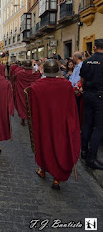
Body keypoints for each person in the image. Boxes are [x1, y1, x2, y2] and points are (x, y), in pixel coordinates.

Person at [27, 59, 80, 189]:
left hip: (44, 122)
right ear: (57, 70)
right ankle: (56, 179)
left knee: (44, 144)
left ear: (44, 70)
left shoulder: (36, 86)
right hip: (61, 123)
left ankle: (43, 170)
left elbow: (32, 108)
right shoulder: (67, 85)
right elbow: (71, 107)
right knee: (60, 146)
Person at [80, 39, 103, 170]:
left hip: (88, 94)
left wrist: (86, 89)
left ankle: (84, 151)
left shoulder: (87, 61)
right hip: (100, 96)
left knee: (87, 124)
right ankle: (91, 157)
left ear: (94, 47)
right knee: (99, 128)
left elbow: (82, 78)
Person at [14, 60, 41, 126]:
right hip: (32, 91)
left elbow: (15, 79)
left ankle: (23, 120)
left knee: (24, 103)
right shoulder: (36, 73)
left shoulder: (19, 73)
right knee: (32, 104)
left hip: (23, 91)